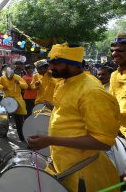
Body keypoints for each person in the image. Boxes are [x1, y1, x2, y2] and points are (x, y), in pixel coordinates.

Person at [28, 43, 120, 192]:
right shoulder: (65, 82)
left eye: (56, 63)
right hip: (64, 166)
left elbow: (103, 142)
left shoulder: (91, 91)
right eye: (50, 62)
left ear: (73, 64)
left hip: (83, 174)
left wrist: (49, 140)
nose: (50, 67)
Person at [0, 66, 28, 141]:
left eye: (11, 77)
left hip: (17, 100)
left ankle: (21, 136)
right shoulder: (3, 78)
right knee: (5, 119)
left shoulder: (17, 77)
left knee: (19, 120)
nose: (9, 78)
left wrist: (19, 83)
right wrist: (2, 87)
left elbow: (25, 86)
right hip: (7, 100)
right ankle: (4, 134)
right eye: (8, 77)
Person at [109, 32, 126, 137]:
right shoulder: (114, 75)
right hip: (117, 134)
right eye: (113, 51)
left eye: (120, 51)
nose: (114, 54)